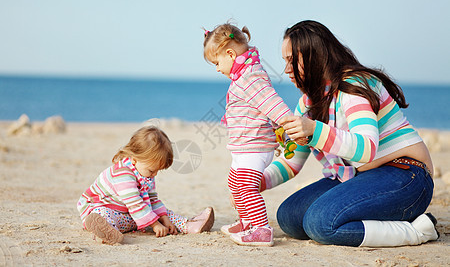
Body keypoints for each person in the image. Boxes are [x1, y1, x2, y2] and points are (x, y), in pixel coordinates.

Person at [259, 20, 439, 247]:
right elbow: (291, 163)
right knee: (290, 217)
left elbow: (366, 148)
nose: (286, 70)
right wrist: (254, 183)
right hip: (361, 177)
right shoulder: (307, 104)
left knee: (321, 223)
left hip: (407, 176)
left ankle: (418, 231)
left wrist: (314, 130)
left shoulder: (353, 85)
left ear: (315, 56)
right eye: (285, 61)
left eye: (292, 60)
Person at [203, 23, 296, 246]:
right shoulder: (244, 74)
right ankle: (247, 222)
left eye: (217, 63)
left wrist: (289, 125)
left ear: (230, 53)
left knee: (246, 186)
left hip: (255, 145)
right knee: (235, 182)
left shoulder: (250, 77)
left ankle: (261, 229)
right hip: (245, 145)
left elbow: (271, 102)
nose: (217, 69)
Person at [77, 126, 214, 245]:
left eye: (157, 171)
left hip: (128, 213)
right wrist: (155, 224)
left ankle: (188, 226)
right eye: (152, 170)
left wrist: (164, 219)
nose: (154, 175)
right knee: (104, 215)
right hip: (102, 208)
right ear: (135, 159)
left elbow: (152, 200)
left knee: (163, 212)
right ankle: (104, 232)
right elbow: (135, 203)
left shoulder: (146, 174)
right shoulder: (122, 174)